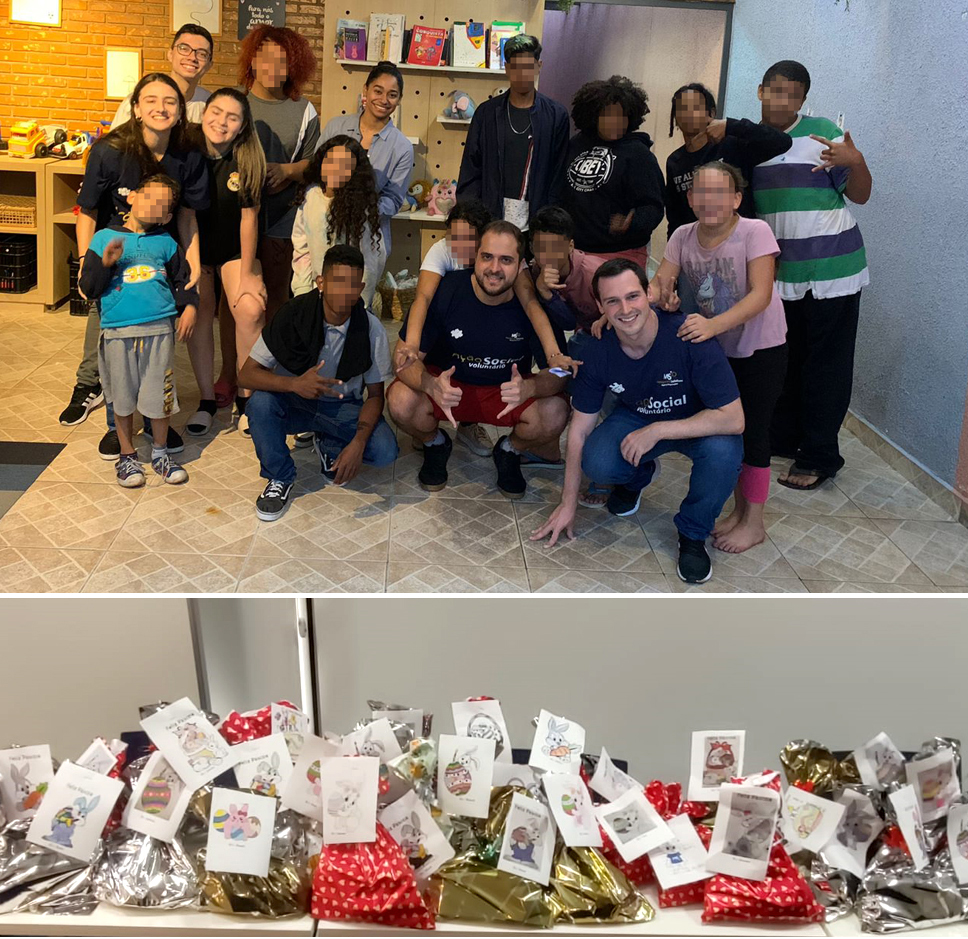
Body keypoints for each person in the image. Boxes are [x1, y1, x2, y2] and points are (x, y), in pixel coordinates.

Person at [531, 259, 744, 585]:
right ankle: (635, 477)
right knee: (597, 460)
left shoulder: (689, 335)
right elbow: (580, 429)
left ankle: (692, 534)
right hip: (636, 416)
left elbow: (734, 418)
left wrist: (658, 430)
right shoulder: (598, 349)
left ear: (649, 294)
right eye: (613, 301)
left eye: (633, 296)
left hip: (698, 421)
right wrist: (567, 503)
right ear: (600, 306)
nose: (625, 309)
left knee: (724, 453)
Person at [57, 73, 209, 462]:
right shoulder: (110, 150)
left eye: (170, 102)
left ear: (180, 111)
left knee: (158, 351)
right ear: (137, 108)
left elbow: (188, 216)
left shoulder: (189, 154)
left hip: (162, 253)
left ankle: (159, 422)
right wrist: (87, 262)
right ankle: (114, 424)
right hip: (116, 251)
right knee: (113, 344)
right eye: (152, 100)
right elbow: (87, 209)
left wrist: (191, 264)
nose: (161, 108)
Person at [654, 161, 787, 554]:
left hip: (762, 346)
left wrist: (712, 326)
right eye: (701, 192)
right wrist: (634, 306)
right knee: (730, 430)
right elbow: (659, 283)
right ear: (690, 198)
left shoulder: (755, 231)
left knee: (755, 432)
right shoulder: (682, 235)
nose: (709, 200)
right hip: (719, 349)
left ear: (736, 199)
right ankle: (738, 511)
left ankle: (754, 522)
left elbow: (761, 295)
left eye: (719, 192)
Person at [753, 60, 872, 491]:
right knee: (785, 361)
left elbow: (860, 194)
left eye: (794, 93)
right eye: (775, 90)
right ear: (761, 91)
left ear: (803, 99)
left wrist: (854, 160)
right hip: (782, 273)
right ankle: (786, 439)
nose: (783, 100)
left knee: (826, 365)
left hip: (834, 269)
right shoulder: (754, 140)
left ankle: (820, 455)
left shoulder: (823, 133)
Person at [386, 221, 570, 499]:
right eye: (487, 257)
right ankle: (435, 444)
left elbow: (559, 373)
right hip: (449, 389)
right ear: (475, 257)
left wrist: (530, 388)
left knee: (556, 412)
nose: (494, 268)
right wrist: (429, 385)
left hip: (506, 393)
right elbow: (402, 359)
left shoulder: (532, 303)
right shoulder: (447, 291)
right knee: (400, 400)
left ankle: (510, 450)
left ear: (520, 264)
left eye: (506, 260)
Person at [240, 245, 399, 521]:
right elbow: (246, 374)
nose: (345, 292)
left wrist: (358, 443)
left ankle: (330, 443)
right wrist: (294, 385)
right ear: (321, 283)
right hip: (295, 401)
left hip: (341, 405)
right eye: (337, 282)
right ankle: (280, 477)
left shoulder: (370, 328)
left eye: (352, 285)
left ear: (361, 286)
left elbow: (375, 396)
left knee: (385, 451)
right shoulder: (293, 314)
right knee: (259, 403)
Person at [78, 175, 198, 488]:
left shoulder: (167, 243)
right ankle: (128, 457)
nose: (153, 205)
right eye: (149, 197)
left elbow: (182, 280)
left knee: (159, 395)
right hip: (117, 333)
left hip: (159, 331)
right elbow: (88, 288)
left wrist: (190, 307)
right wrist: (104, 264)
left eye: (162, 204)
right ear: (131, 197)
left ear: (168, 217)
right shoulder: (104, 237)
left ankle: (160, 453)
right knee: (122, 396)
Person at [185, 89, 268, 437]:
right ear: (205, 112)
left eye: (232, 117)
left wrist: (248, 274)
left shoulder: (246, 156)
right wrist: (191, 268)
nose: (221, 122)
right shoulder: (186, 147)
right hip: (195, 246)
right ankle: (206, 400)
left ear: (241, 125)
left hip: (235, 249)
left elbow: (249, 218)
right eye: (216, 112)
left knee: (249, 309)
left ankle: (247, 399)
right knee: (199, 309)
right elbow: (185, 215)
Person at [392, 198, 496, 457]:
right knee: (409, 369)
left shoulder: (495, 257)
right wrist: (413, 343)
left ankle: (469, 425)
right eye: (454, 237)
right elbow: (423, 299)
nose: (459, 245)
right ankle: (427, 430)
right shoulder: (441, 250)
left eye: (468, 238)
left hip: (482, 331)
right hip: (444, 326)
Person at [240, 26, 320, 329]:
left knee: (277, 293)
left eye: (282, 61)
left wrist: (287, 170)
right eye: (266, 58)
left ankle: (270, 364)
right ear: (252, 61)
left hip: (283, 216)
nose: (273, 68)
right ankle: (229, 370)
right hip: (236, 215)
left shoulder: (305, 110)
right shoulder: (236, 102)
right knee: (236, 293)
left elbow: (314, 164)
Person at [456, 34, 570, 228]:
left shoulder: (556, 115)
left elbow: (559, 175)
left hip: (538, 221)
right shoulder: (486, 113)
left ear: (539, 66)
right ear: (507, 68)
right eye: (516, 67)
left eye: (528, 66)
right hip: (490, 217)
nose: (522, 74)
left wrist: (550, 222)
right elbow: (470, 168)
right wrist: (471, 217)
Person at [559, 76, 665, 267]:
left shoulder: (638, 154)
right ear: (594, 116)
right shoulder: (576, 145)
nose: (615, 122)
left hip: (620, 255)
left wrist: (632, 223)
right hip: (574, 251)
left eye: (621, 116)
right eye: (608, 115)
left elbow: (654, 206)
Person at [665, 83, 791, 238]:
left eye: (695, 107)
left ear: (710, 112)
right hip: (697, 249)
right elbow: (674, 216)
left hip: (740, 242)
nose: (688, 113)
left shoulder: (732, 144)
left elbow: (782, 141)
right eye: (682, 108)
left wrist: (731, 125)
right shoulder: (674, 161)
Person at [320, 61, 413, 261]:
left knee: (361, 291)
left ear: (399, 100)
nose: (384, 100)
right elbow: (316, 172)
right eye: (378, 91)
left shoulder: (402, 147)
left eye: (392, 95)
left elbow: (393, 199)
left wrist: (361, 208)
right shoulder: (336, 127)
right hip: (324, 228)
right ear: (365, 90)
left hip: (370, 240)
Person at [291, 135, 384, 310]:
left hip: (348, 297)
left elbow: (371, 261)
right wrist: (302, 291)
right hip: (315, 291)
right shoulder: (311, 197)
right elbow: (301, 247)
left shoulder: (359, 207)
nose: (335, 169)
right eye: (331, 161)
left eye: (345, 165)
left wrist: (359, 300)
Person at [109, 24, 214, 128]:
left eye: (202, 54)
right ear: (170, 54)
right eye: (184, 49)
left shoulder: (211, 106)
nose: (192, 58)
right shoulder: (138, 101)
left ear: (209, 64)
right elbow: (114, 143)